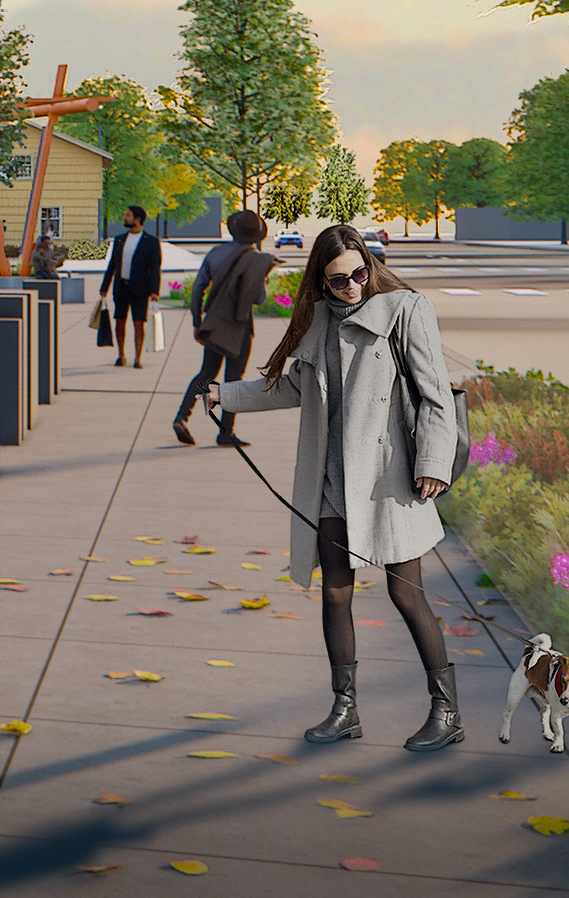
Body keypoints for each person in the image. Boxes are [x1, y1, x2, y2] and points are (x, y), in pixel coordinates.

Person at [255, 219, 464, 750]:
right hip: (332, 481)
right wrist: (224, 395)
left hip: (388, 481)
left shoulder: (405, 309)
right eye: (338, 279)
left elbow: (436, 395)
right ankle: (344, 709)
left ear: (370, 267)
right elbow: (292, 388)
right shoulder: (320, 320)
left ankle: (447, 712)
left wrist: (434, 462)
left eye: (359, 274)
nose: (352, 286)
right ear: (321, 282)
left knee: (406, 594)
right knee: (335, 592)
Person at [173, 205, 270, 448]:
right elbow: (259, 299)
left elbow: (198, 289)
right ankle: (225, 432)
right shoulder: (256, 261)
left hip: (215, 323)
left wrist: (197, 321)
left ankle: (182, 417)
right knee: (233, 380)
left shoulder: (215, 253)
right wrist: (264, 282)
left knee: (206, 373)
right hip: (240, 326)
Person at [104, 205, 168, 370]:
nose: (125, 217)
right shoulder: (120, 239)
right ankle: (121, 355)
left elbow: (155, 267)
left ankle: (137, 358)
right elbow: (112, 265)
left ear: (137, 219)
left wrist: (154, 290)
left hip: (140, 289)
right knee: (119, 322)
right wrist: (105, 286)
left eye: (128, 215)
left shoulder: (151, 242)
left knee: (139, 323)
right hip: (121, 288)